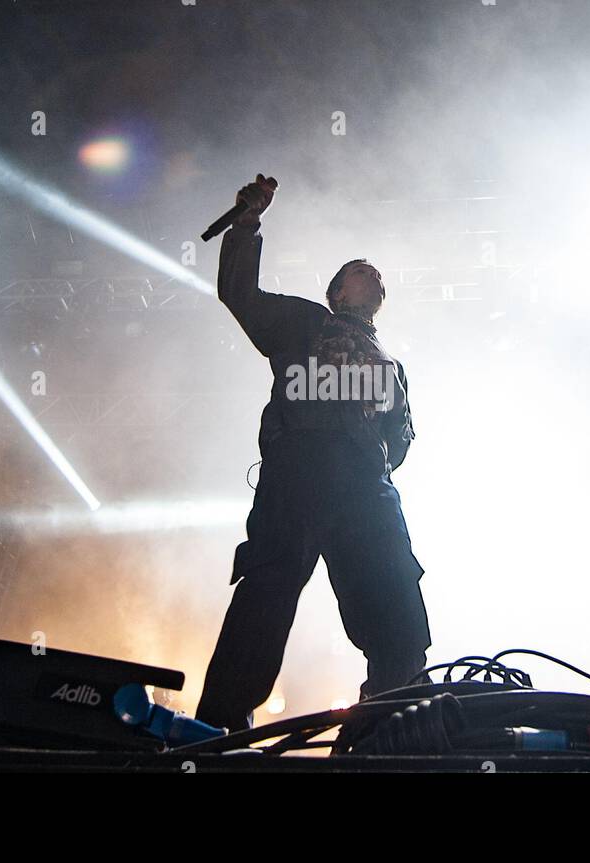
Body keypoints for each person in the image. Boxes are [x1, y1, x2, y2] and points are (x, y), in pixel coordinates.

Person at [195, 174, 432, 732]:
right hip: (299, 471)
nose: (373, 275)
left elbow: (401, 435)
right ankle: (221, 728)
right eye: (359, 272)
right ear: (337, 293)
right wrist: (247, 224)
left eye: (378, 277)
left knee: (395, 593)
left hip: (364, 483)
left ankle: (389, 718)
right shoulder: (302, 322)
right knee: (268, 588)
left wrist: (371, 467)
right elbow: (240, 295)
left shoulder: (391, 366)